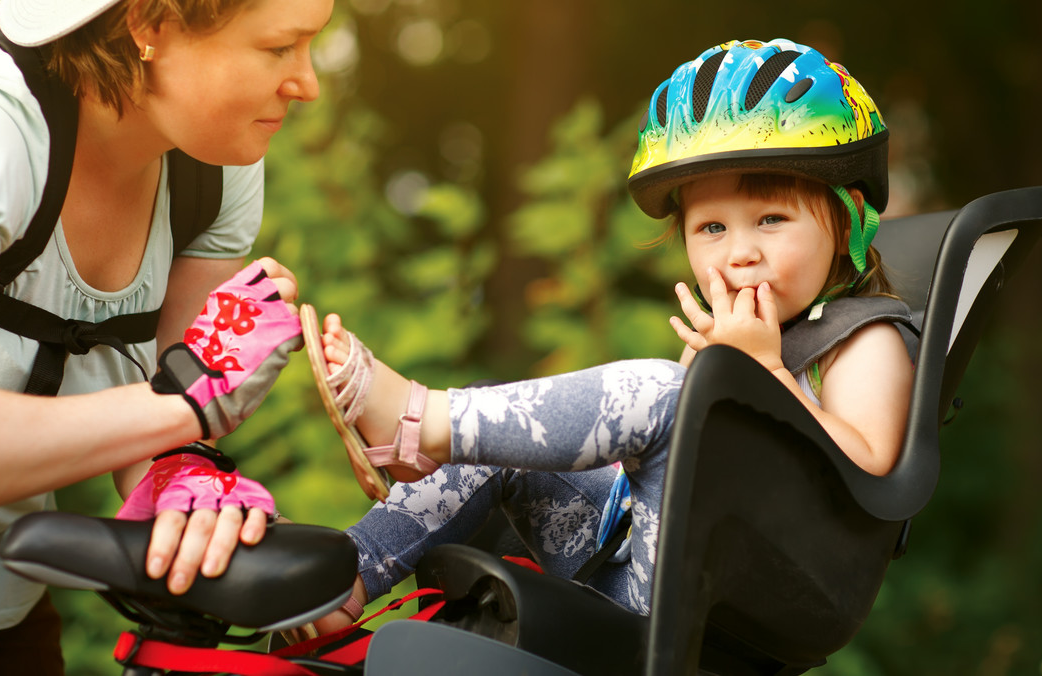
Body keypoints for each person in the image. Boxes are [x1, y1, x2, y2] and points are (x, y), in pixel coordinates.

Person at [299, 38, 915, 632]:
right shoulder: (734, 336)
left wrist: (769, 377)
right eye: (711, 229)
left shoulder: (865, 338)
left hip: (752, 590)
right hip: (635, 557)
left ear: (848, 220)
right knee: (502, 429)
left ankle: (416, 419)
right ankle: (338, 582)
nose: (739, 254)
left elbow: (870, 468)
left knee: (661, 390)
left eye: (771, 220)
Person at [0, 0, 331, 672]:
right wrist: (187, 399)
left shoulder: (214, 163)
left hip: (5, 612)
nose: (307, 82)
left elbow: (158, 424)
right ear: (149, 26)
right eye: (279, 48)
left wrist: (199, 491)